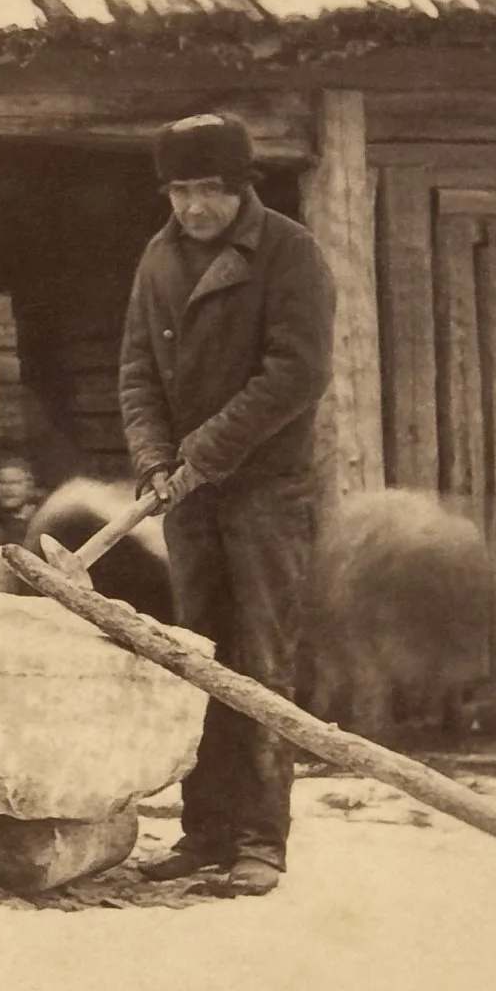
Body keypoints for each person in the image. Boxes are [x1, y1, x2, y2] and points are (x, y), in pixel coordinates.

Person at [119, 113, 334, 897]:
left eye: (208, 189)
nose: (193, 207)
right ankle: (203, 830)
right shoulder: (158, 258)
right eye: (180, 190)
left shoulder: (288, 252)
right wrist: (152, 460)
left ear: (242, 186)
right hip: (185, 494)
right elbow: (138, 371)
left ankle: (259, 838)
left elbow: (296, 373)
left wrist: (202, 454)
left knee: (261, 662)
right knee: (195, 658)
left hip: (265, 494)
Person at [0, 453, 43, 546]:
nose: (8, 489)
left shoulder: (43, 511)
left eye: (15, 483)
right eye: (2, 482)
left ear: (29, 486)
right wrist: (21, 520)